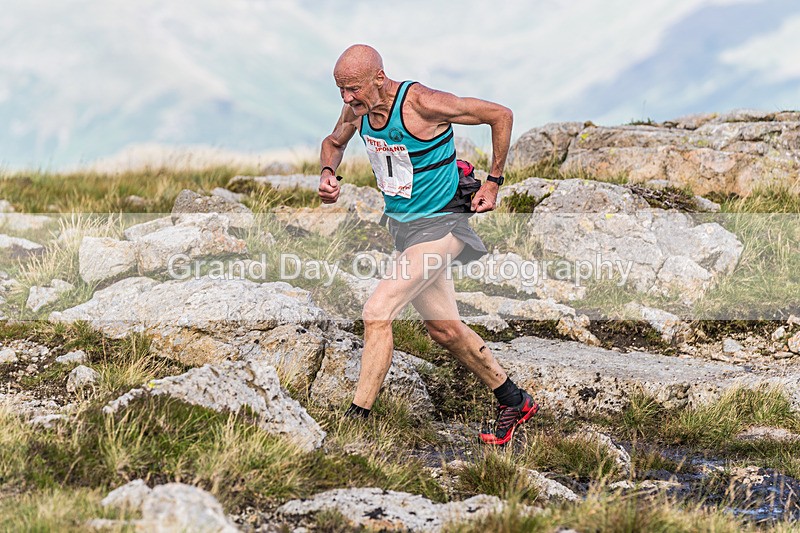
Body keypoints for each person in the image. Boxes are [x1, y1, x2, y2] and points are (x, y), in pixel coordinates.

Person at [317, 44, 537, 445]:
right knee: (445, 330)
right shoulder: (358, 111)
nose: (347, 100)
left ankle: (354, 424)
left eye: (353, 90)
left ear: (378, 79)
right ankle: (514, 400)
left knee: (377, 312)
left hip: (444, 226)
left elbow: (499, 115)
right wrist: (328, 173)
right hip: (406, 230)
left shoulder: (421, 103)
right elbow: (333, 142)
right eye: (341, 91)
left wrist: (494, 181)